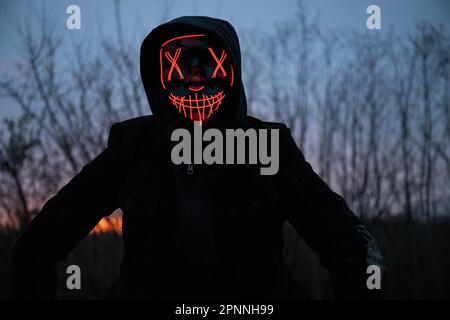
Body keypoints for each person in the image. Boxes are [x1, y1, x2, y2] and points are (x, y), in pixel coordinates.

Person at [9, 16, 385, 299]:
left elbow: (352, 246)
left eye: (208, 65)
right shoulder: (133, 148)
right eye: (178, 68)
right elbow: (38, 244)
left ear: (231, 72)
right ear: (157, 81)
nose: (194, 80)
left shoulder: (268, 146)